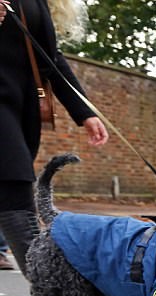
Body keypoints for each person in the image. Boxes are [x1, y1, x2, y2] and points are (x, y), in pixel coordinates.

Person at [0, 0, 108, 276]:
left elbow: (49, 59)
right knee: (16, 187)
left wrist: (84, 112)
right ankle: (49, 288)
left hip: (22, 110)